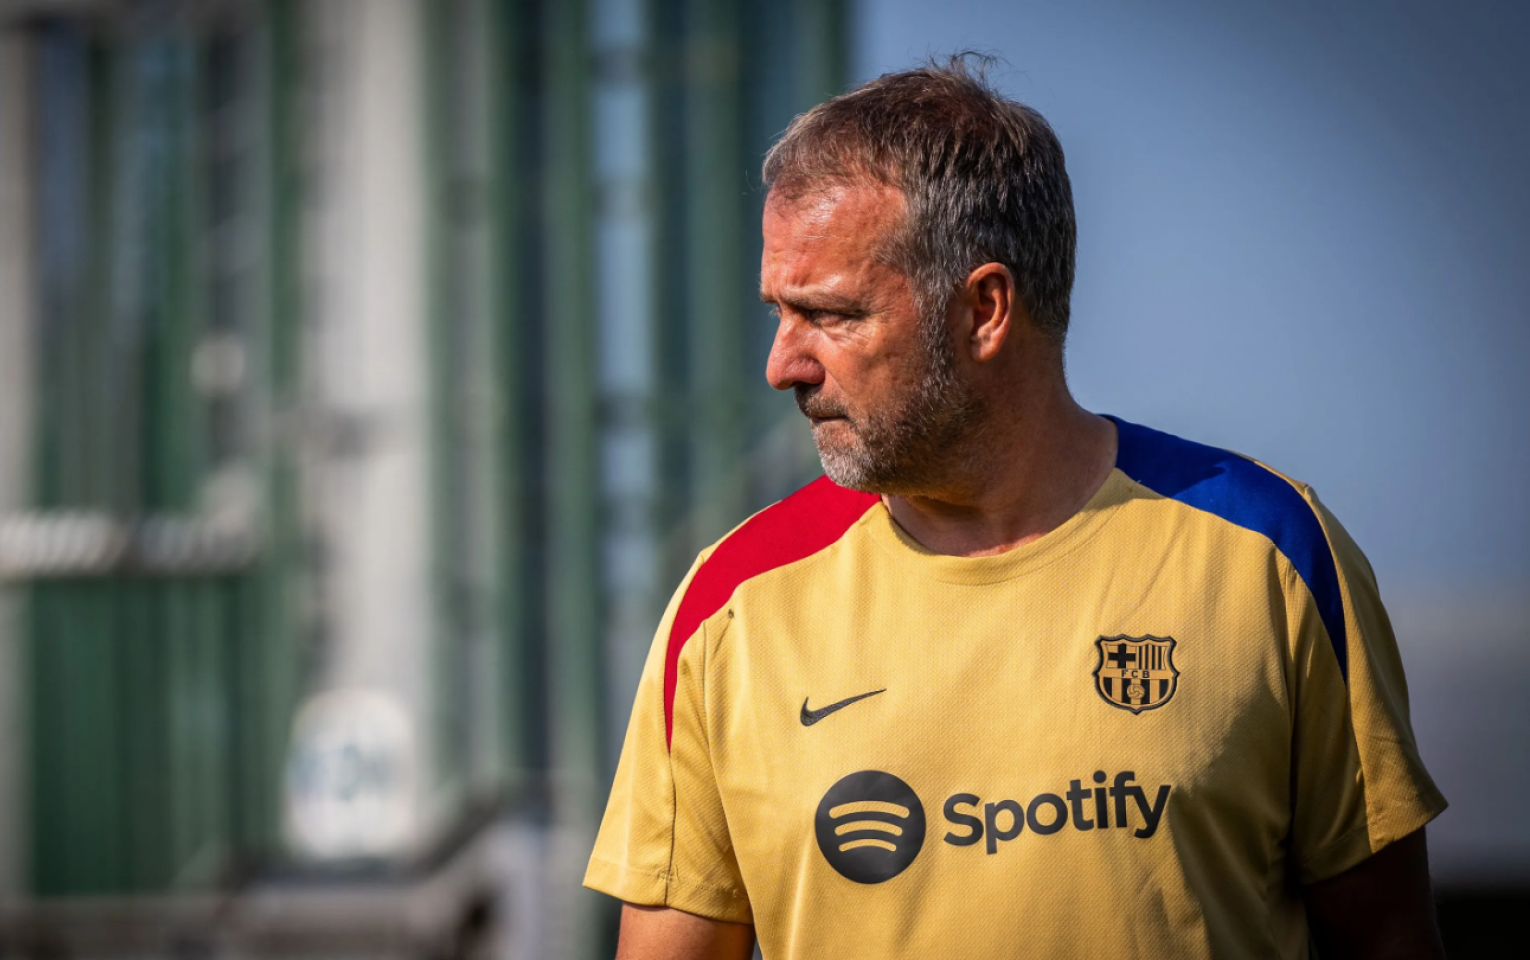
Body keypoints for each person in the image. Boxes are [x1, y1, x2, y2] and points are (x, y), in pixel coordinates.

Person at [583, 56, 1447, 960]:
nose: (783, 364)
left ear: (986, 309)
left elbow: (1389, 937)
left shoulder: (1268, 553)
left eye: (831, 316)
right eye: (778, 312)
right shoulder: (731, 606)